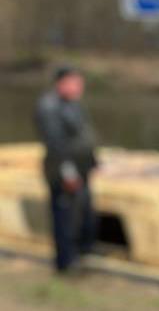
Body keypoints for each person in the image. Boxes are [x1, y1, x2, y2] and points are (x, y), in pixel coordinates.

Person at [34, 66, 98, 273]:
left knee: (83, 214)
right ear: (61, 83)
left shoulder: (74, 104)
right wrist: (68, 173)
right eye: (74, 82)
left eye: (80, 82)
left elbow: (83, 136)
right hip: (63, 175)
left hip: (82, 170)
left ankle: (82, 253)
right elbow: (55, 145)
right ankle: (65, 263)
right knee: (64, 218)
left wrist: (94, 162)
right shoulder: (49, 107)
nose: (79, 87)